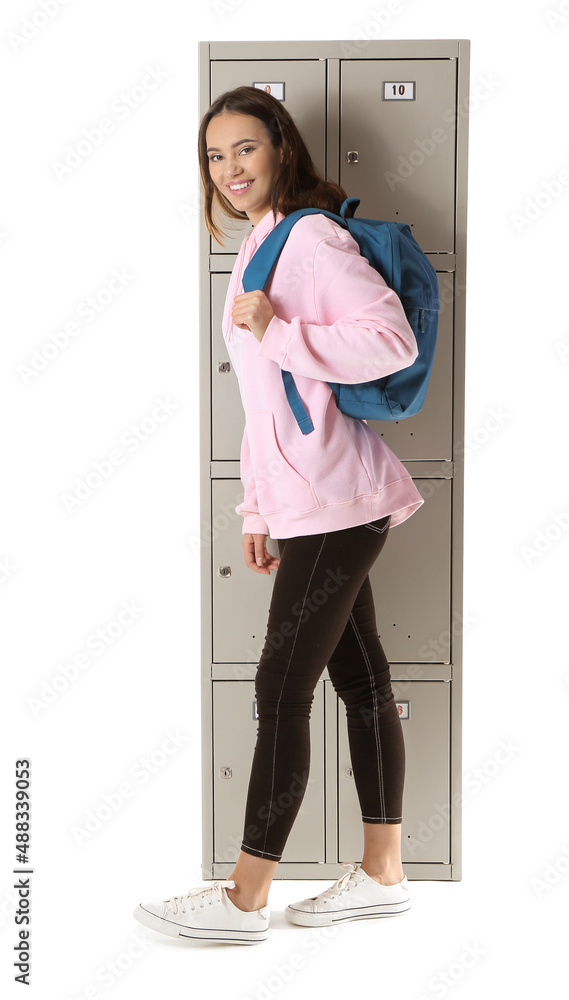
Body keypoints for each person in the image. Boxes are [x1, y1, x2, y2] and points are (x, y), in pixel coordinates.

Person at [134, 85, 425, 944]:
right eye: (215, 156)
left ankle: (244, 896)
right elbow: (265, 403)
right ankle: (383, 873)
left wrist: (281, 332)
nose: (230, 169)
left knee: (279, 685)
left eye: (245, 150)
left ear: (280, 151)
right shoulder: (260, 246)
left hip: (340, 496)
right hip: (312, 500)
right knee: (360, 680)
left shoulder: (309, 237)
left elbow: (389, 339)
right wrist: (259, 506)